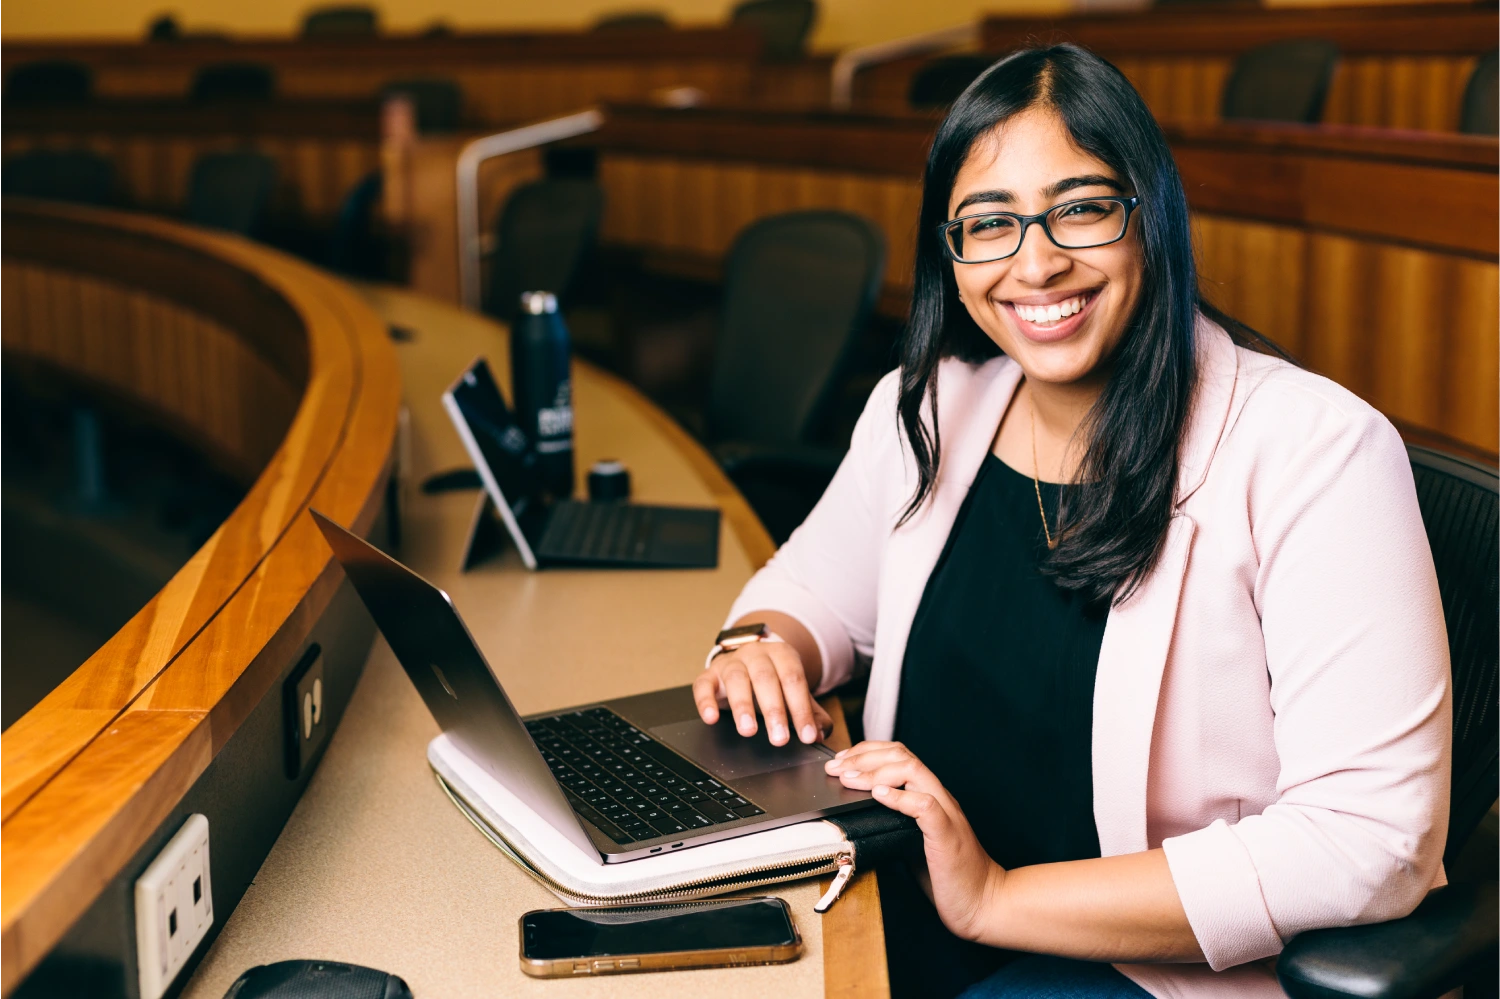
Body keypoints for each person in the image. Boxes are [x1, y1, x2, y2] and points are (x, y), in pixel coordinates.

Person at [691, 45, 1451, 999]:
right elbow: (811, 594)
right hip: (894, 909)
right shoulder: (927, 404)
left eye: (1082, 208)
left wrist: (996, 898)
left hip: (1139, 971)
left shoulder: (1315, 449)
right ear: (949, 251)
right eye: (990, 223)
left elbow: (1371, 840)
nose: (1036, 262)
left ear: (1151, 219)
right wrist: (763, 644)